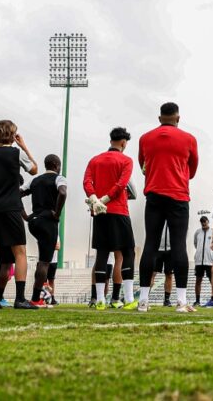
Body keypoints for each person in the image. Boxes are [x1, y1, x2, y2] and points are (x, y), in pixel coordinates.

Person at [137, 102, 199, 313]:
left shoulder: (145, 138)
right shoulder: (189, 139)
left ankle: (143, 301)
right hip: (178, 196)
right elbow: (191, 171)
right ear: (178, 118)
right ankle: (181, 301)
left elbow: (143, 166)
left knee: (150, 245)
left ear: (159, 118)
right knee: (179, 246)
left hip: (154, 194)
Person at [0, 120, 38, 309]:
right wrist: (24, 146)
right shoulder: (16, 153)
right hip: (11, 208)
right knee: (19, 252)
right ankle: (20, 298)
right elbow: (34, 170)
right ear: (12, 134)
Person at [84, 127, 137, 311]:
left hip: (100, 213)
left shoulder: (95, 160)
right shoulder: (126, 160)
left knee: (102, 253)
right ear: (123, 142)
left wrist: (94, 200)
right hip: (119, 211)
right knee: (127, 252)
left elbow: (86, 183)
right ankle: (128, 298)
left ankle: (100, 300)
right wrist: (104, 200)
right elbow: (121, 184)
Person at [23, 154, 67, 308]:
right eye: (59, 165)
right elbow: (62, 193)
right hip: (48, 222)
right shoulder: (59, 178)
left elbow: (17, 193)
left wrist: (26, 216)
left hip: (34, 222)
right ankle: (36, 299)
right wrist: (57, 212)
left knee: (42, 260)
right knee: (45, 262)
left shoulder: (35, 180)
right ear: (56, 165)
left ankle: (37, 295)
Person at [151, 223, 174, 307]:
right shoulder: (158, 218)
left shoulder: (173, 219)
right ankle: (145, 298)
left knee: (169, 275)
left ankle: (167, 300)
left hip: (170, 251)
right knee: (152, 273)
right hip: (157, 250)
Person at [192, 216, 213, 307]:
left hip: (210, 261)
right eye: (202, 222)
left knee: (212, 281)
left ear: (208, 222)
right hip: (199, 261)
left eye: (205, 221)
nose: (203, 223)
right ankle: (197, 301)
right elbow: (196, 244)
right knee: (198, 280)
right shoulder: (197, 232)